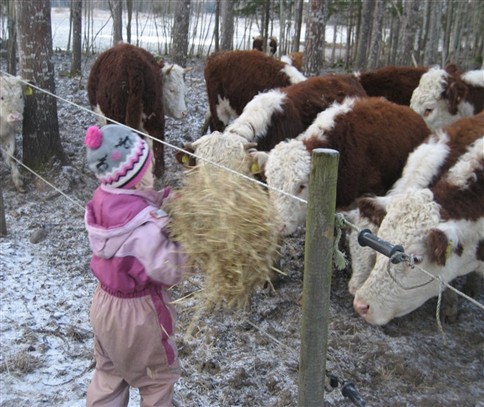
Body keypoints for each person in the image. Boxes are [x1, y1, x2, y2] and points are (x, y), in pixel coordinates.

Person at [83, 124, 186, 406]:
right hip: (140, 317)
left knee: (109, 375)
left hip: (103, 306)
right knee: (157, 381)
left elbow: (129, 207)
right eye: (149, 167)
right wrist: (189, 246)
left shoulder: (101, 202)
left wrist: (160, 200)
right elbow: (169, 269)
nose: (153, 171)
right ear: (139, 179)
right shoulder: (146, 226)